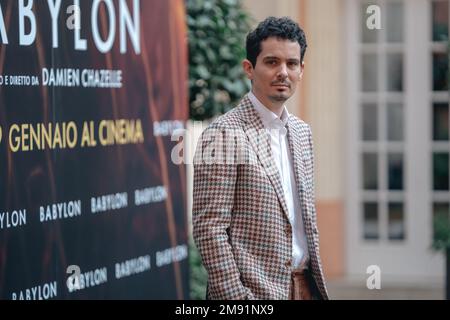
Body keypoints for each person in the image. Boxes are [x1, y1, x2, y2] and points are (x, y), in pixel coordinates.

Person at [192, 16, 328, 300]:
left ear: (301, 70)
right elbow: (209, 230)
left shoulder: (303, 133)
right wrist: (238, 299)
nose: (283, 72)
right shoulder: (223, 133)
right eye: (271, 62)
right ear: (249, 68)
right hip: (252, 295)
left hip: (305, 288)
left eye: (291, 64)